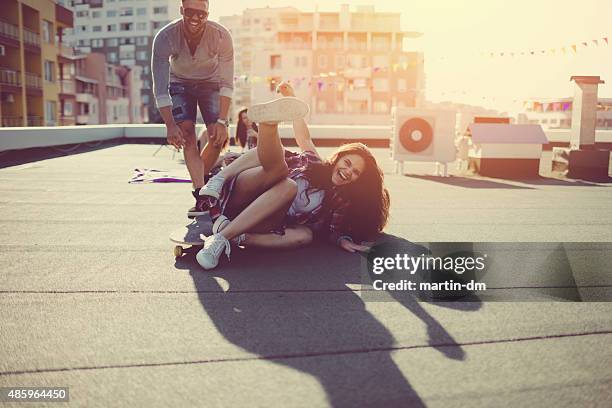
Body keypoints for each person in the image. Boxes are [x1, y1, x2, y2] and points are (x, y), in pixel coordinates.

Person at [195, 84, 390, 270]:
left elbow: (332, 230)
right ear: (337, 158)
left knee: (305, 232)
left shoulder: (339, 201)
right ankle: (267, 126)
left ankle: (228, 238)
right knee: (280, 166)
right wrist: (291, 99)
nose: (348, 172)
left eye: (355, 173)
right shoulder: (314, 163)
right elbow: (304, 138)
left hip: (260, 221)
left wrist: (342, 240)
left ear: (357, 181)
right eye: (347, 163)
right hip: (241, 194)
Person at [151, 0, 234, 217]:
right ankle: (201, 195)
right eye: (190, 12)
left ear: (208, 13)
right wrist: (170, 126)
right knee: (187, 136)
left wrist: (223, 122)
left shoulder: (221, 36)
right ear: (181, 11)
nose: (196, 18)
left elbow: (227, 83)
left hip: (211, 83)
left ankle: (203, 182)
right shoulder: (165, 37)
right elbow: (160, 88)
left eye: (201, 14)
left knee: (218, 137)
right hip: (179, 83)